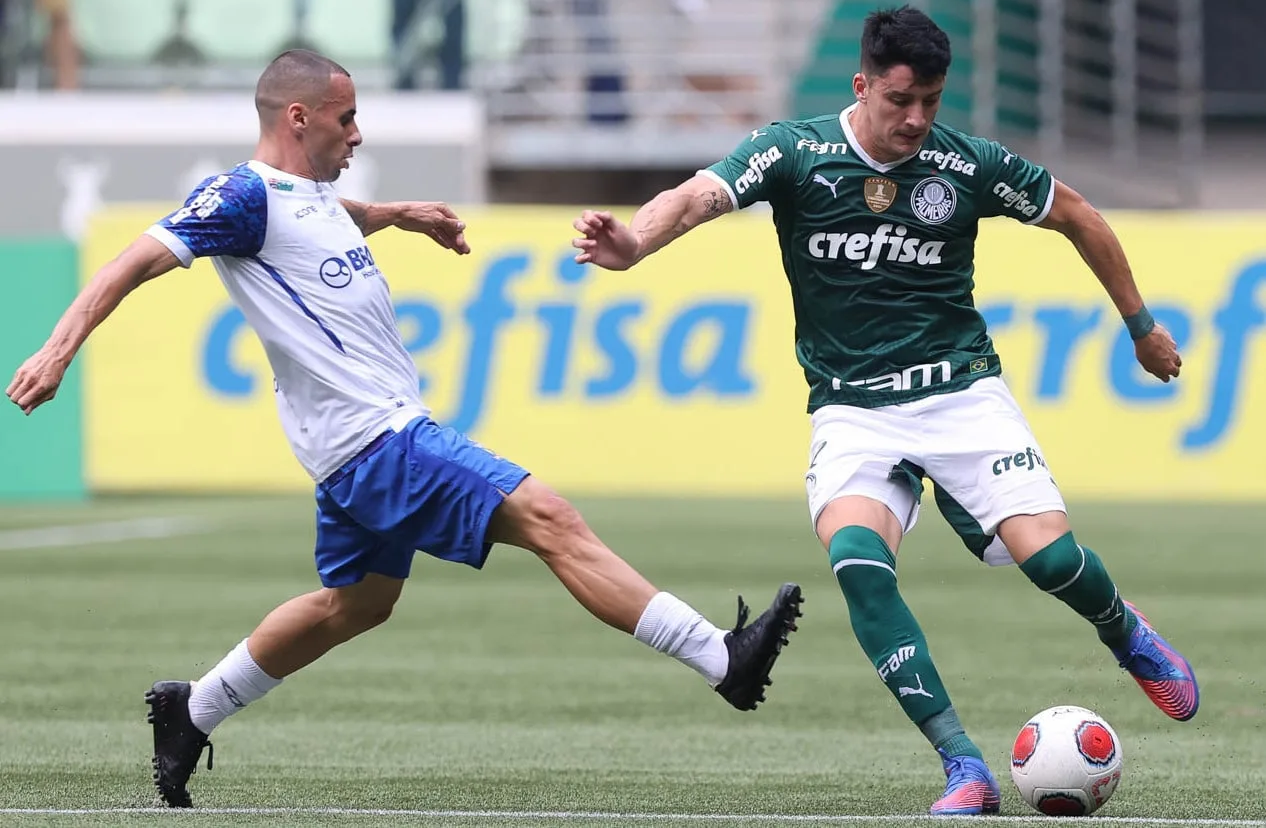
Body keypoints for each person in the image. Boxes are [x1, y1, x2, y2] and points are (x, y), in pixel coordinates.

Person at [4, 49, 804, 809]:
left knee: (353, 605)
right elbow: (129, 264)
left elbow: (327, 212)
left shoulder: (301, 196)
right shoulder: (240, 197)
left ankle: (194, 709)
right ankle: (720, 658)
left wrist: (399, 214)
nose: (357, 134)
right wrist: (55, 351)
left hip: (357, 449)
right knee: (552, 519)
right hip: (381, 443)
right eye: (344, 119)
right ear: (296, 117)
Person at [571, 5, 1198, 817]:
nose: (916, 120)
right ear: (862, 84)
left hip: (961, 393)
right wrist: (635, 243)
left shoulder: (966, 165)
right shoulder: (795, 152)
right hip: (853, 410)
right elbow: (698, 196)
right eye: (901, 100)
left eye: (932, 101)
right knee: (860, 565)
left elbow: (1078, 215)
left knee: (1045, 560)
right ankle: (963, 767)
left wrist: (1141, 326)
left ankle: (1125, 633)